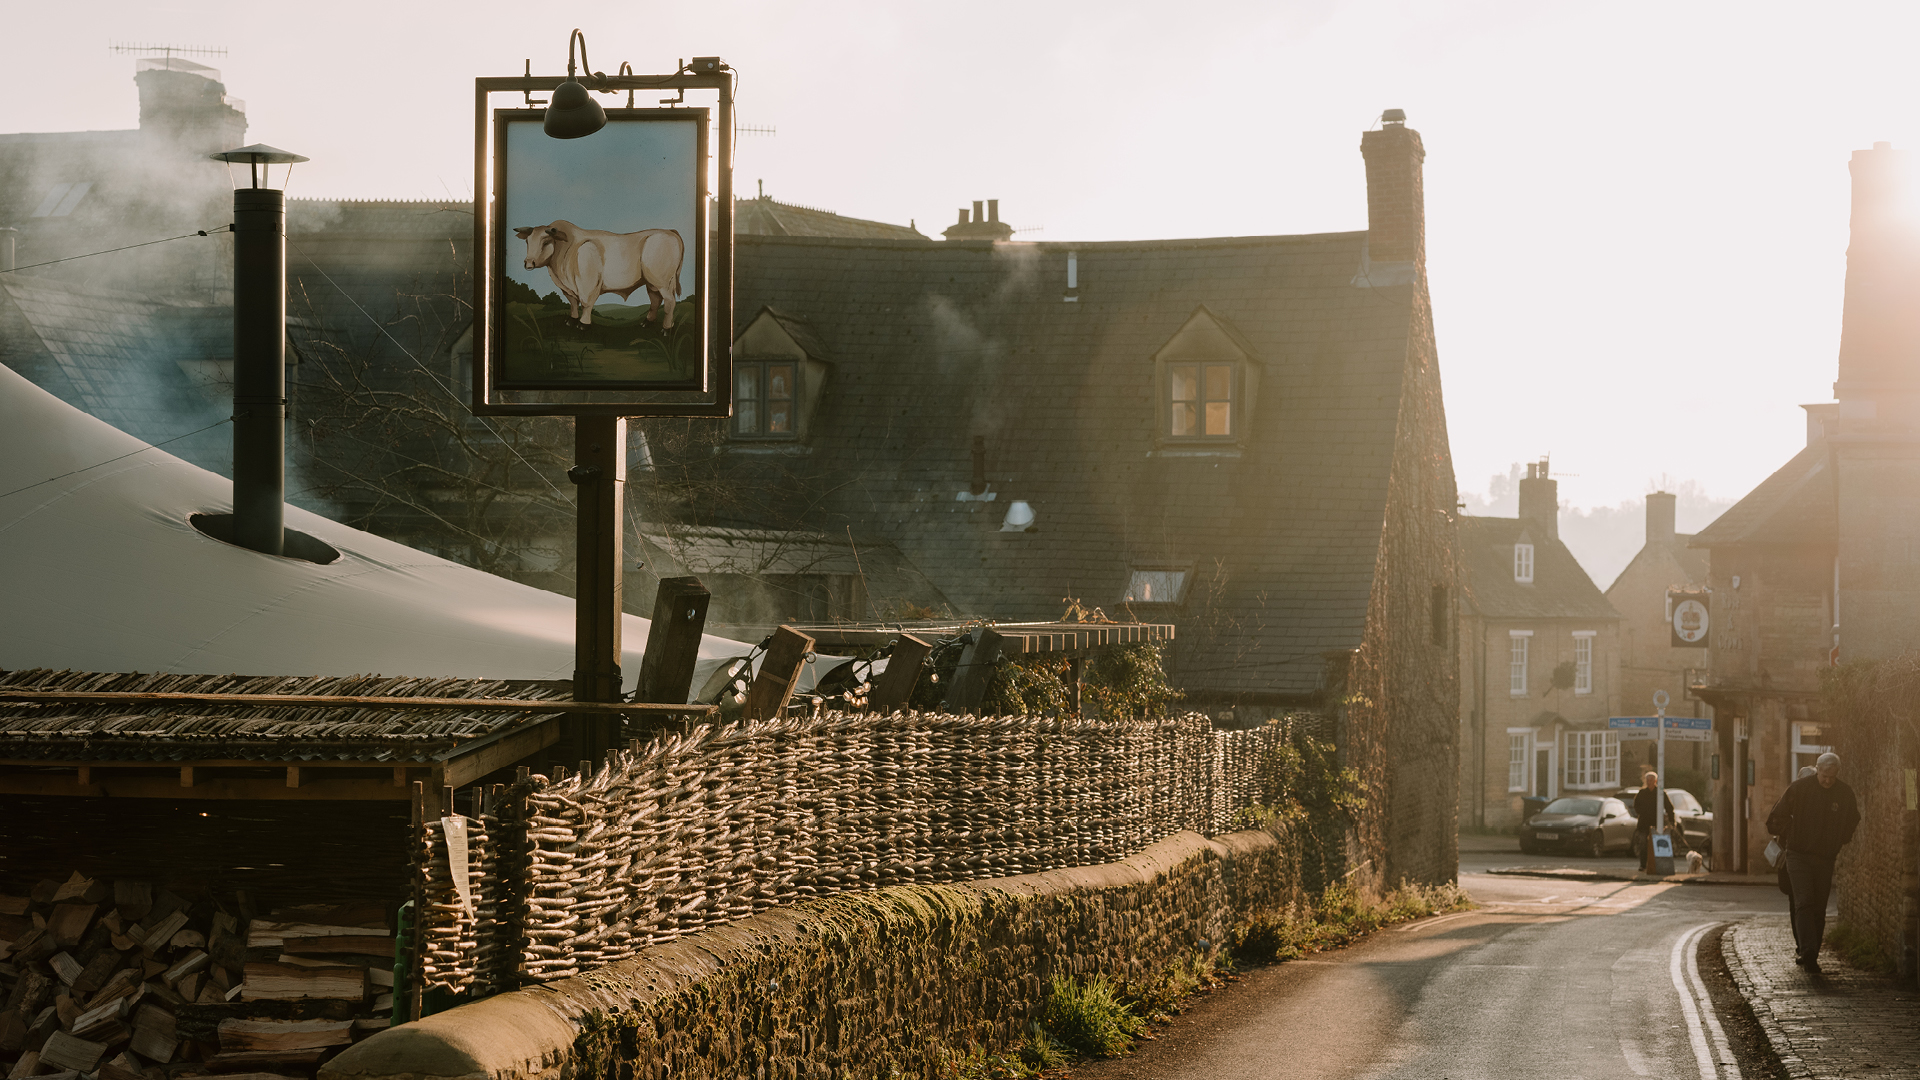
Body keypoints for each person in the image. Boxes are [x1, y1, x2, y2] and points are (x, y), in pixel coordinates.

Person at [1765, 753, 1861, 970]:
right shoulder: (1800, 789)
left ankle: (1812, 952)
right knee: (1804, 901)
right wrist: (1792, 833)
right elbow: (1774, 819)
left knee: (1819, 907)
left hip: (1825, 858)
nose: (1827, 781)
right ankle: (1807, 951)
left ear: (1837, 774)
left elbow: (1853, 818)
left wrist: (1841, 838)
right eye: (1824, 776)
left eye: (1832, 777)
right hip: (1798, 855)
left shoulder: (1844, 793)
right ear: (1817, 770)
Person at [1633, 771, 1677, 872]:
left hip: (1657, 823)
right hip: (1644, 823)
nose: (1649, 782)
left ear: (1655, 781)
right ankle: (1643, 865)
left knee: (1658, 844)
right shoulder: (1642, 793)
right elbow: (1636, 805)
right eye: (1647, 780)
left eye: (1651, 780)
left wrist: (1672, 821)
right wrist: (1642, 812)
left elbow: (1669, 808)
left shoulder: (1660, 793)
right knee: (1643, 844)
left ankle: (1656, 865)